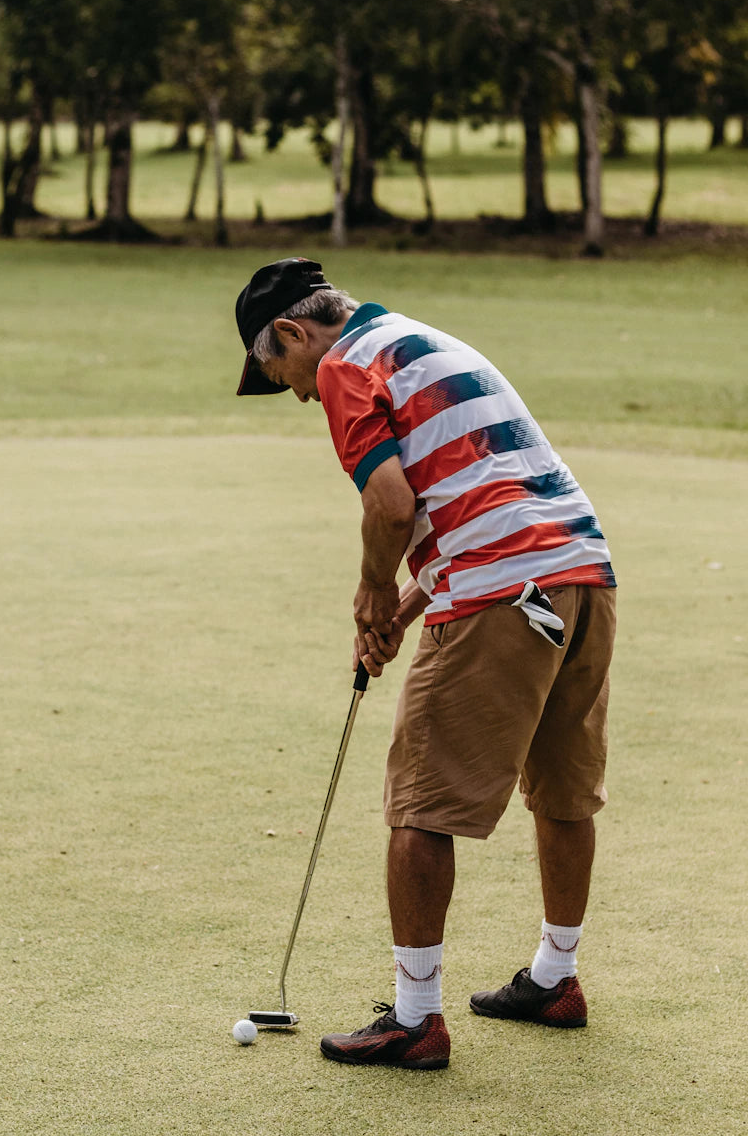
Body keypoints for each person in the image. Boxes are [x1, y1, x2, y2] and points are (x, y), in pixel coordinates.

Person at [234, 257, 617, 1070]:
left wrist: (374, 591)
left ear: (297, 334)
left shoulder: (344, 366)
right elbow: (470, 494)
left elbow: (394, 506)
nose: (300, 394)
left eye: (281, 374)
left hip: (498, 592)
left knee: (419, 805)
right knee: (563, 789)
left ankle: (415, 1020)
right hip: (581, 576)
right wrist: (405, 611)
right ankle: (556, 977)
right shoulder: (423, 340)